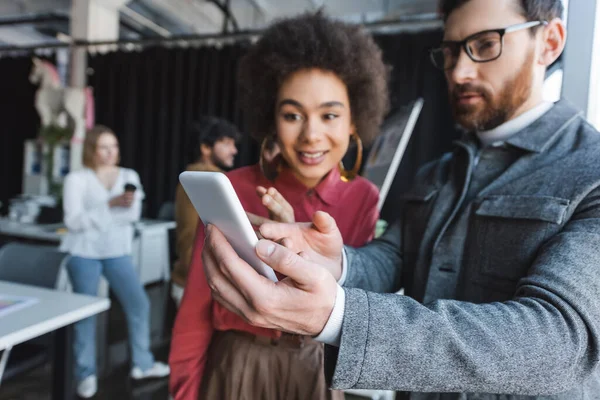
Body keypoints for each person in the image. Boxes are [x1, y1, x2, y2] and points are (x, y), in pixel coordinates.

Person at [202, 0, 600, 399]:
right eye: (450, 51)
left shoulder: (592, 172)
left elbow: (561, 339)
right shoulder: (437, 174)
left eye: (485, 45)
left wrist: (339, 316)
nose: (459, 71)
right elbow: (393, 258)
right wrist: (338, 262)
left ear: (549, 41)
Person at [169, 12, 389, 400]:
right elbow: (196, 309)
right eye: (292, 115)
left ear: (355, 121)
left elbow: (353, 303)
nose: (311, 135)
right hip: (237, 366)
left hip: (316, 369)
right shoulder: (234, 187)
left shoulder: (363, 198)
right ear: (270, 118)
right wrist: (183, 392)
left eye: (330, 115)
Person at [61, 125, 170, 398]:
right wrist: (110, 205)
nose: (111, 152)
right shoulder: (77, 179)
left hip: (116, 252)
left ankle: (142, 365)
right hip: (83, 252)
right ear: (92, 150)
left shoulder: (128, 175)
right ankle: (84, 374)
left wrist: (98, 214)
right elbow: (73, 222)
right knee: (85, 315)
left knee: (139, 304)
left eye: (115, 146)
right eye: (104, 147)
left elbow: (132, 215)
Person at [171, 117, 240, 306]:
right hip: (199, 283)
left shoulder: (192, 176)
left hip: (190, 278)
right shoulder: (212, 179)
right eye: (226, 143)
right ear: (205, 148)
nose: (234, 150)